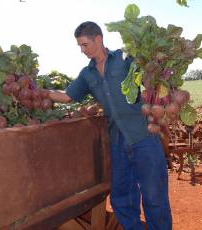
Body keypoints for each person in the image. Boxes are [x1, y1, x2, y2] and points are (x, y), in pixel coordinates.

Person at [48, 21, 172, 230]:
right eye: (79, 46)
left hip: (144, 136)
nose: (82, 50)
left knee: (154, 197)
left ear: (99, 38)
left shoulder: (126, 58)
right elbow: (67, 97)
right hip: (118, 141)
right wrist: (41, 92)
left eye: (85, 44)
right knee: (121, 198)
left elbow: (152, 73)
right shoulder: (87, 74)